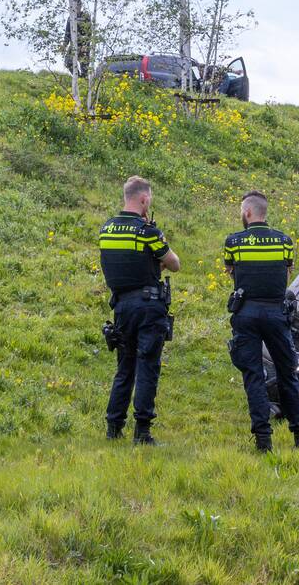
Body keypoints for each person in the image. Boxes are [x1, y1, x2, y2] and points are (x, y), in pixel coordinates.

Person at [223, 191, 299, 452]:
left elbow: (231, 273)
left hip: (246, 313)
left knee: (253, 376)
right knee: (287, 375)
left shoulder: (234, 242)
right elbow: (286, 272)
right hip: (276, 314)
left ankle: (263, 440)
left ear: (248, 213)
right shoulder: (284, 241)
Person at [98, 176, 180, 444]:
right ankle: (142, 432)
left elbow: (126, 265)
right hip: (148, 307)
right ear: (144, 199)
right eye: (150, 200)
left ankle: (114, 427)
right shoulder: (148, 232)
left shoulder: (107, 229)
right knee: (147, 366)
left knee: (125, 366)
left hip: (121, 307)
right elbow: (174, 263)